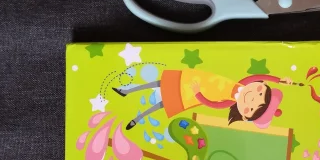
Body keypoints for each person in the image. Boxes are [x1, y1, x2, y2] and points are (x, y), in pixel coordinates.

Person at [112, 68, 292, 130]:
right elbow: (259, 75)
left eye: (251, 108)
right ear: (261, 84)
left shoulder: (229, 102)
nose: (252, 98)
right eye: (260, 92)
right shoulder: (243, 83)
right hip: (197, 79)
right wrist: (279, 80)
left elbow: (211, 104)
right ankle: (128, 90)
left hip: (192, 94)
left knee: (163, 103)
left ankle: (138, 118)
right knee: (161, 83)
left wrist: (197, 93)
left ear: (245, 116)